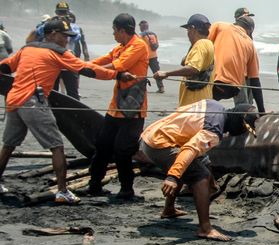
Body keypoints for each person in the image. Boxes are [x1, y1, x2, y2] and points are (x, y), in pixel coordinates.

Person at [0, 18, 134, 200]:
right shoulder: (59, 53)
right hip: (33, 102)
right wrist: (117, 75)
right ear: (52, 34)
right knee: (56, 146)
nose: (67, 39)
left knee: (8, 145)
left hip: (13, 100)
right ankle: (62, 191)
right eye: (64, 36)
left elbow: (5, 67)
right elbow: (86, 70)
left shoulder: (27, 49)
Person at [140, 100, 258, 241]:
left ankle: (169, 209)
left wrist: (212, 181)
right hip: (159, 144)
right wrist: (172, 177)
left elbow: (199, 149)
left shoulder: (214, 106)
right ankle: (205, 228)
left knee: (197, 166)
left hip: (154, 132)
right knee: (200, 176)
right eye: (244, 129)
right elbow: (190, 149)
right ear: (239, 123)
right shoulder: (213, 130)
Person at [88, 13, 149, 199]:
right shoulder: (121, 46)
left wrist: (91, 71)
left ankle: (126, 189)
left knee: (123, 149)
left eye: (114, 31)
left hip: (133, 110)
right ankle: (94, 186)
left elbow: (118, 66)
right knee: (103, 146)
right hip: (115, 108)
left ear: (122, 30)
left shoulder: (138, 46)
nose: (113, 34)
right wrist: (81, 66)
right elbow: (104, 59)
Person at [207, 15, 266, 114]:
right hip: (233, 89)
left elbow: (202, 44)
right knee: (241, 106)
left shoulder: (220, 26)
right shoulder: (250, 44)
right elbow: (255, 81)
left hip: (215, 83)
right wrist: (262, 111)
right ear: (250, 30)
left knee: (204, 104)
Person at [154, 14, 214, 107]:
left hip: (194, 103)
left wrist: (166, 73)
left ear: (193, 29)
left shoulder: (201, 44)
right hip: (199, 101)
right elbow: (184, 62)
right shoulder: (207, 43)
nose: (187, 33)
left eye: (188, 30)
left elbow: (193, 69)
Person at [139, 20, 164, 93]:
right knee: (157, 72)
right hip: (154, 57)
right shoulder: (154, 34)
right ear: (147, 26)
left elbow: (139, 47)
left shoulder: (140, 35)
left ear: (141, 27)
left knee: (142, 73)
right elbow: (157, 45)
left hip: (144, 57)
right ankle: (161, 88)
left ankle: (142, 88)